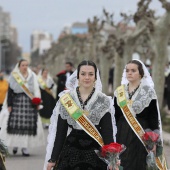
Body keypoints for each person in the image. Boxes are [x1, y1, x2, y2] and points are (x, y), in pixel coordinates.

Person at [44, 60, 117, 170]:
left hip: (96, 152)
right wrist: (53, 159)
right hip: (71, 150)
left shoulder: (104, 101)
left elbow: (107, 132)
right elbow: (60, 133)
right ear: (77, 76)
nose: (87, 77)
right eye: (83, 74)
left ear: (95, 77)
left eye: (91, 74)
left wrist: (113, 159)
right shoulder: (67, 100)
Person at [114, 59, 167, 170]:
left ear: (141, 73)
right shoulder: (119, 92)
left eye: (133, 70)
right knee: (121, 163)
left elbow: (153, 117)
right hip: (121, 132)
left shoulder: (148, 92)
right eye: (127, 70)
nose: (129, 73)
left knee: (137, 163)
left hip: (141, 134)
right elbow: (116, 116)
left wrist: (153, 140)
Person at [0, 59, 44, 156]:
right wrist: (10, 105)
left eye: (26, 65)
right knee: (15, 125)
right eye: (23, 65)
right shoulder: (14, 76)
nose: (25, 67)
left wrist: (37, 102)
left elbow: (36, 89)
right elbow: (10, 91)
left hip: (29, 104)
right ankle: (15, 145)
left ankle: (25, 147)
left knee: (27, 125)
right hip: (17, 103)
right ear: (19, 66)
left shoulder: (32, 75)